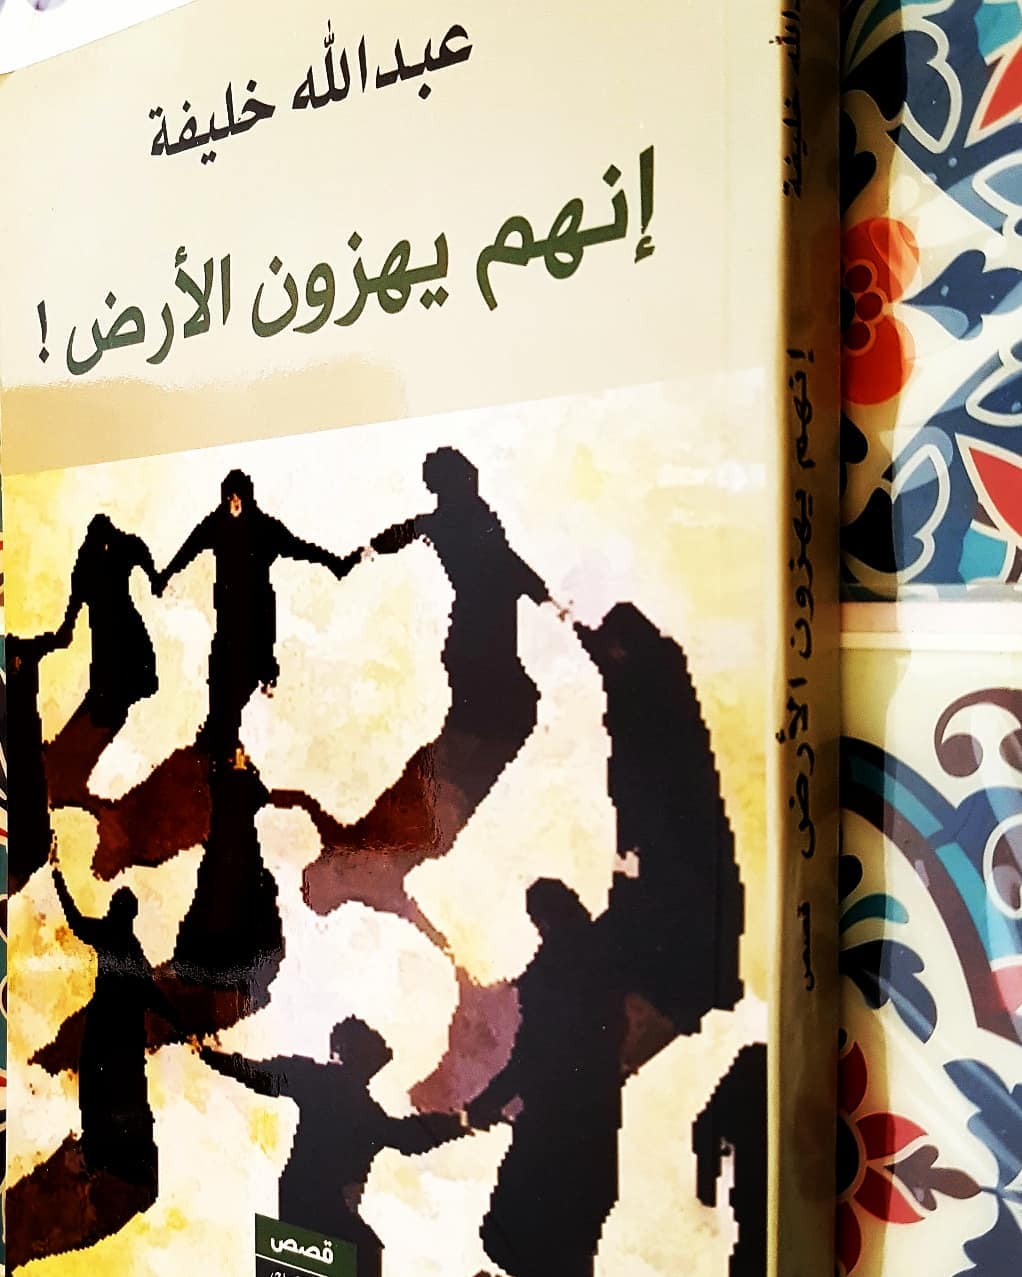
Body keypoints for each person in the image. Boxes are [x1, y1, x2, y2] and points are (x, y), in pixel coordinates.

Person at [201, 1017, 468, 1277]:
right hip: (315, 1207)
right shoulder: (345, 1097)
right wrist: (459, 1122)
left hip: (305, 1205)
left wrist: (213, 1056)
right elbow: (406, 1136)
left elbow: (260, 1074)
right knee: (362, 1252)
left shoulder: (328, 1087)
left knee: (361, 1250)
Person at [467, 879, 625, 1277]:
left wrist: (488, 1100)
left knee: (525, 1227)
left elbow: (532, 1055)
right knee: (569, 1236)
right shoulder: (604, 956)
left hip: (555, 1124)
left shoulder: (552, 973)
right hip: (595, 1122)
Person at [156, 470, 360, 757]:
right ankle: (218, 731)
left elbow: (300, 547)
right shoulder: (216, 524)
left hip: (257, 608)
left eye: (238, 498)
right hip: (229, 608)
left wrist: (335, 564)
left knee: (250, 668)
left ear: (246, 497)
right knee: (222, 669)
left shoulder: (264, 527)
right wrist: (165, 574)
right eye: (230, 498)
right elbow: (189, 549)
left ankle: (234, 721)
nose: (234, 503)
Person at [50, 850, 179, 1186]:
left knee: (101, 1091)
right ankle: (111, 1157)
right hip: (121, 1035)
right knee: (116, 1092)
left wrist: (58, 880)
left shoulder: (112, 937)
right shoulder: (130, 947)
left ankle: (103, 1156)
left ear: (118, 912)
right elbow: (151, 994)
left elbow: (75, 921)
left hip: (109, 1032)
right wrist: (177, 1019)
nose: (111, 911)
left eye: (114, 908)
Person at [56, 514, 160, 729]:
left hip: (119, 618)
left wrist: (153, 576)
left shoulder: (117, 547)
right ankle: (108, 704)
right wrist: (68, 624)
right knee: (110, 666)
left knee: (136, 661)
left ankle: (117, 698)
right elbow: (76, 596)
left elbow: (138, 548)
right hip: (105, 623)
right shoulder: (89, 558)